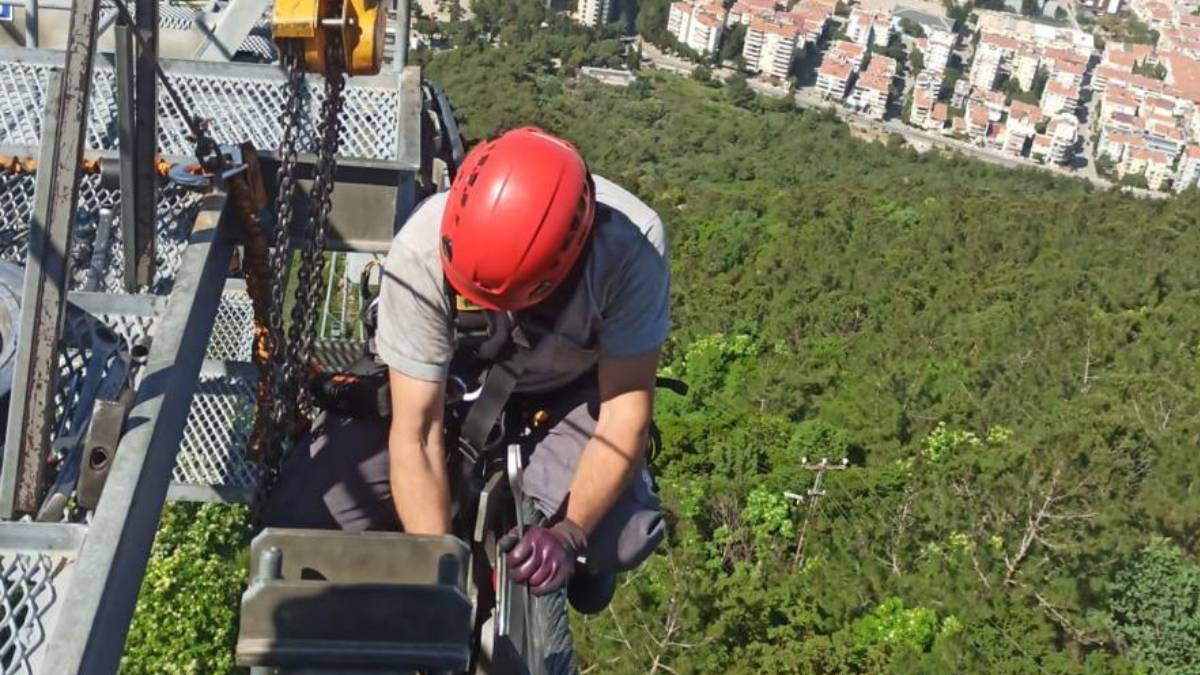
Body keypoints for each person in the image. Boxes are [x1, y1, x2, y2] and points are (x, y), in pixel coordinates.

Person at [265, 127, 669, 611]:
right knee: (303, 517)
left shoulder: (630, 248)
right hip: (447, 381)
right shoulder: (422, 249)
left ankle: (583, 556)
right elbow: (416, 432)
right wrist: (439, 577)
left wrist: (570, 534)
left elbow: (625, 411)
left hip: (563, 392)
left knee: (623, 534)